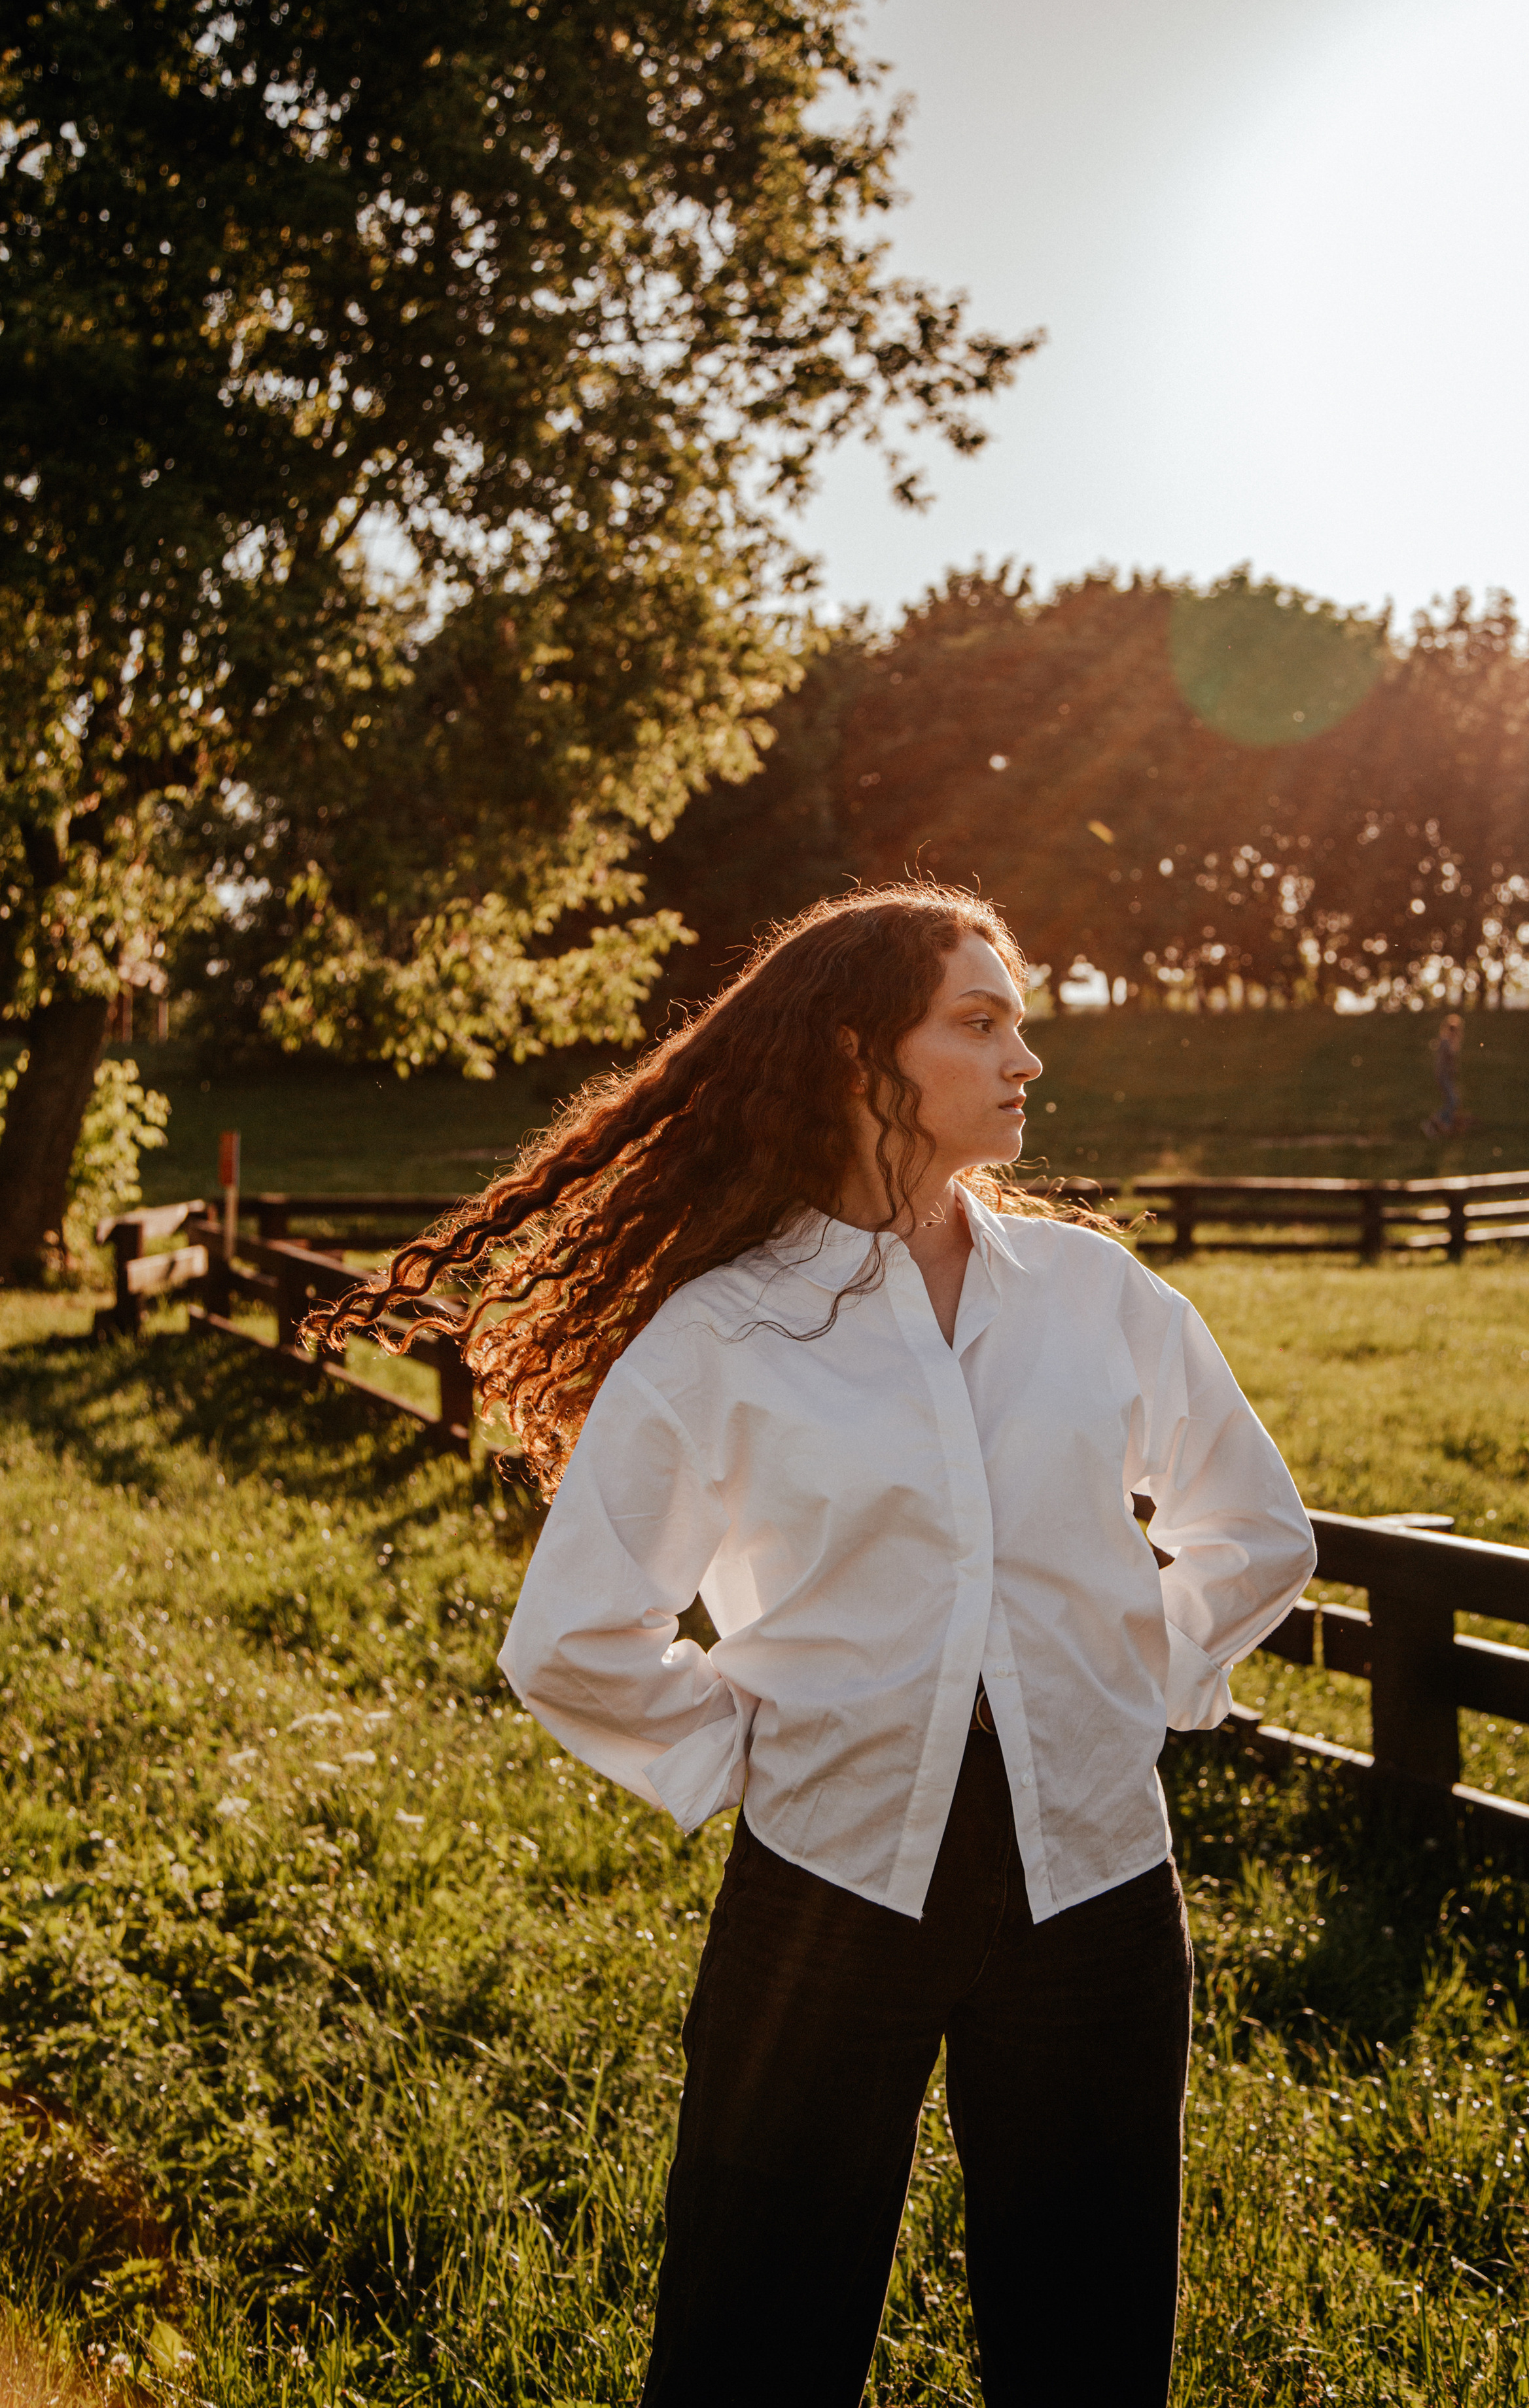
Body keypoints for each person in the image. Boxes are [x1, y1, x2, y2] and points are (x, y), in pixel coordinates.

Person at [324, 882, 1316, 2407]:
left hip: (1095, 1872)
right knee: (755, 2330)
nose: (1021, 1058)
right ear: (863, 1055)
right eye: (976, 1022)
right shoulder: (725, 1330)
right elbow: (576, 1636)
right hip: (831, 1878)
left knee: (1091, 2330)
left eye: (1018, 1024)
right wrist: (758, 1743)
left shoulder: (1088, 1293)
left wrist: (1138, 1676)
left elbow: (1252, 1526)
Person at [1423, 1011, 1465, 1138]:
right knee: (1453, 1100)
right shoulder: (1446, 1042)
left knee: (1453, 1101)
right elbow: (1448, 1058)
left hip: (1446, 1076)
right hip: (1443, 1076)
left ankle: (1446, 1125)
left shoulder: (1447, 1042)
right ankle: (1434, 1122)